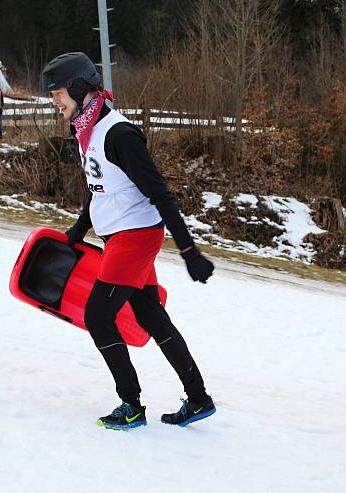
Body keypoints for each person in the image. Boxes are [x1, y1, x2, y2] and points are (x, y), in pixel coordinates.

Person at [41, 52, 216, 430]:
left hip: (134, 238)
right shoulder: (85, 128)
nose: (54, 100)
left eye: (57, 92)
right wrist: (80, 226)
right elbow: (98, 186)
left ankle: (131, 405)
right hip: (120, 235)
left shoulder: (120, 134)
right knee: (150, 315)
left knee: (98, 317)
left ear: (79, 88)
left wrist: (189, 251)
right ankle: (198, 398)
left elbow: (160, 193)